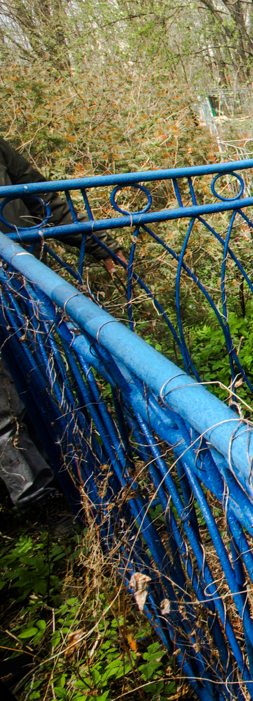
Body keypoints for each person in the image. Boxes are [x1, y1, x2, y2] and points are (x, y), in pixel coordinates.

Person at [0, 137, 123, 510]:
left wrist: (99, 246)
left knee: (36, 378)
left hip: (19, 275)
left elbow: (41, 196)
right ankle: (38, 500)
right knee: (5, 406)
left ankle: (76, 479)